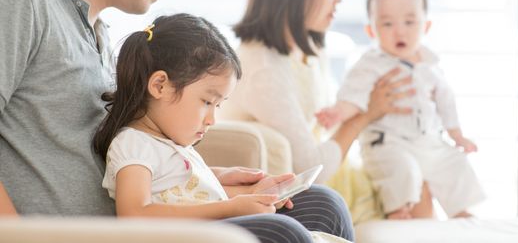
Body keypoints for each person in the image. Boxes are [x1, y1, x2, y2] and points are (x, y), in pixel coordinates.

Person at [0, 0, 353, 242]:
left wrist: (210, 182)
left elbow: (122, 160)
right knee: (284, 233)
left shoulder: (100, 36)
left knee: (323, 205)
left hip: (141, 221)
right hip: (87, 232)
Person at [219, 0, 434, 223]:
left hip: (338, 175)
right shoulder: (263, 68)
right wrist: (367, 114)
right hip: (309, 196)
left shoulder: (306, 48)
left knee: (420, 177)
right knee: (412, 188)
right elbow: (312, 167)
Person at [93, 13, 351, 243]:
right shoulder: (133, 144)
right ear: (160, 85)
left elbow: (182, 192)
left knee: (325, 203)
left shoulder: (170, 143)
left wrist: (250, 191)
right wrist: (232, 208)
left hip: (213, 226)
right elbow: (135, 216)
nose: (212, 119)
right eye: (207, 102)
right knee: (282, 231)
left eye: (218, 106)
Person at [316, 0, 485, 219]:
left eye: (409, 22)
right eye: (387, 23)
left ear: (425, 26)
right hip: (388, 143)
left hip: (427, 141)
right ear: (371, 31)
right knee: (402, 170)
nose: (400, 31)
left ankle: (461, 212)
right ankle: (398, 209)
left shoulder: (431, 64)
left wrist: (456, 134)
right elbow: (354, 94)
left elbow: (445, 100)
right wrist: (338, 112)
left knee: (453, 162)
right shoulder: (371, 64)